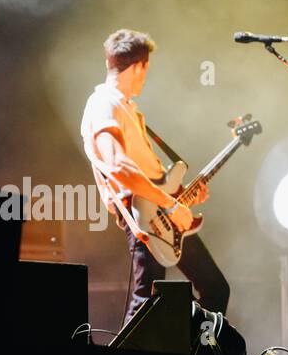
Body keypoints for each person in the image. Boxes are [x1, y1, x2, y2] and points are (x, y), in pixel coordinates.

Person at [80, 29, 229, 324]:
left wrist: (179, 195)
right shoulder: (104, 104)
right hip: (143, 215)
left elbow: (145, 172)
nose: (146, 77)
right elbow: (119, 167)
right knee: (143, 307)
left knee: (214, 289)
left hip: (162, 210)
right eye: (146, 69)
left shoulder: (128, 109)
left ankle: (190, 350)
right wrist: (171, 204)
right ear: (139, 66)